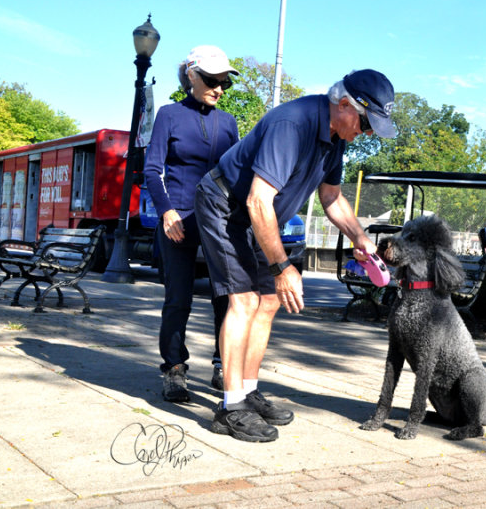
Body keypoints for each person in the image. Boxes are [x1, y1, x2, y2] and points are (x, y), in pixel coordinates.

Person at [194, 69, 397, 443]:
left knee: (268, 302)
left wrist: (360, 237)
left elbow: (332, 196)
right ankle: (230, 407)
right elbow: (258, 200)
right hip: (226, 207)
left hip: (257, 215)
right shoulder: (293, 124)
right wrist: (283, 266)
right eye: (367, 123)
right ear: (344, 104)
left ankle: (248, 390)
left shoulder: (336, 139)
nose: (367, 133)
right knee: (242, 301)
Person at [143, 45, 240, 402]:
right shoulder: (169, 115)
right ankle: (174, 368)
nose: (219, 88)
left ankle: (222, 364)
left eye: (225, 83)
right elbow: (153, 170)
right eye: (212, 81)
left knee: (226, 298)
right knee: (178, 298)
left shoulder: (228, 122)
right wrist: (166, 211)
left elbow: (236, 172)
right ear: (191, 76)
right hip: (178, 219)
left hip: (219, 221)